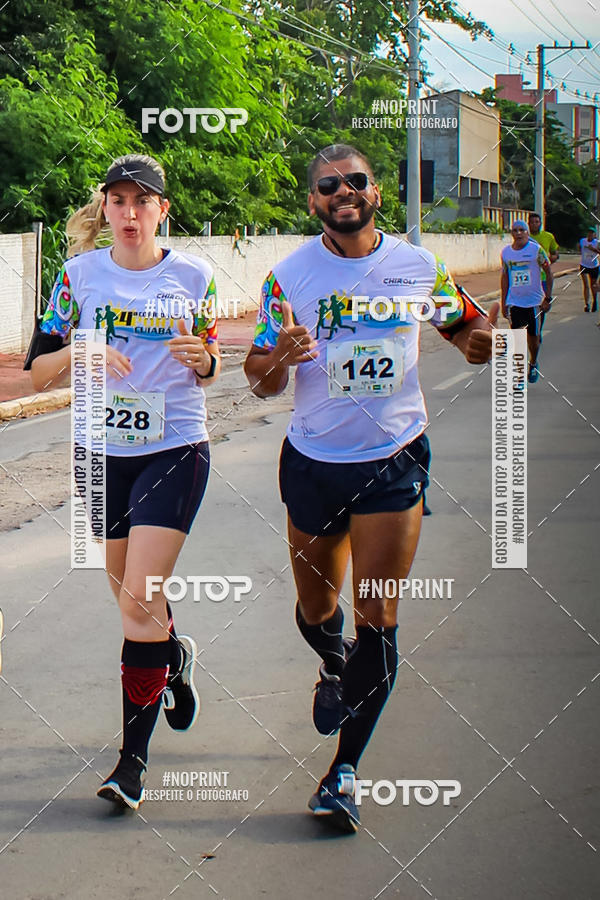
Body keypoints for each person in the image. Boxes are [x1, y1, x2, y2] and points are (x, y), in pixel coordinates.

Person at [244, 144, 496, 833]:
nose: (344, 191)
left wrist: (478, 340)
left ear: (376, 191)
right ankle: (335, 664)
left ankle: (343, 773)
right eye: (329, 185)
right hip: (314, 461)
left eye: (355, 180)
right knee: (316, 607)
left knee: (377, 614)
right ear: (313, 201)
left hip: (393, 459)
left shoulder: (417, 266)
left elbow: (467, 322)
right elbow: (259, 378)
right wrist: (280, 356)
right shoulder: (289, 277)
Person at [26, 154, 221, 810]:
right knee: (131, 599)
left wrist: (206, 360)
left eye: (143, 201)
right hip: (99, 453)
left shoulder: (193, 276)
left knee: (138, 602)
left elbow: (212, 359)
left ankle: (130, 764)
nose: (130, 213)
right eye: (118, 201)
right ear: (104, 208)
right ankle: (173, 656)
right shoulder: (78, 276)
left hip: (174, 448)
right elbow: (36, 371)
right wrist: (81, 349)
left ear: (163, 209)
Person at [501, 220, 552, 384]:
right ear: (511, 233)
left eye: (522, 230)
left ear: (527, 233)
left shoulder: (536, 250)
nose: (518, 233)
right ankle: (520, 377)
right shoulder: (506, 253)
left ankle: (533, 363)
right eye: (515, 230)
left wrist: (548, 297)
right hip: (515, 302)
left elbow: (548, 272)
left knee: (534, 339)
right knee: (517, 340)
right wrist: (504, 302)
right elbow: (505, 276)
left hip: (534, 302)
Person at [528, 212, 558, 337]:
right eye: (532, 222)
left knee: (542, 306)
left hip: (543, 278)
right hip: (529, 279)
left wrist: (551, 259)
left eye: (537, 222)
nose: (535, 224)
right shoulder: (525, 237)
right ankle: (532, 331)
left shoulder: (548, 236)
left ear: (540, 223)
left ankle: (538, 331)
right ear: (528, 224)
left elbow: (555, 253)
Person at [579, 227, 599, 313]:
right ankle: (587, 304)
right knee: (586, 285)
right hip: (584, 265)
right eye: (589, 233)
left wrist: (593, 249)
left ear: (594, 235)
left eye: (592, 233)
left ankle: (594, 301)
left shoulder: (597, 242)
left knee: (593, 285)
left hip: (594, 266)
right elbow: (580, 249)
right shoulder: (582, 241)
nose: (590, 234)